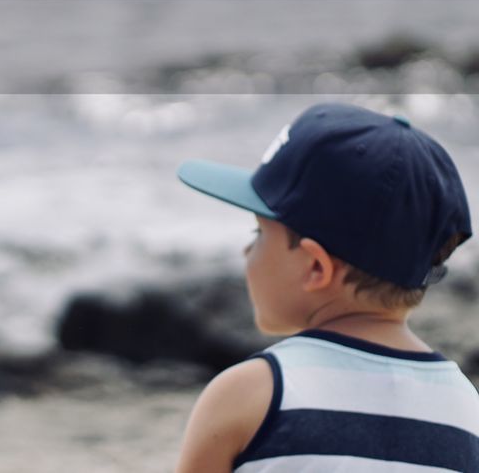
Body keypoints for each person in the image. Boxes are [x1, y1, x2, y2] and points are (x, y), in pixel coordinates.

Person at [174, 102, 479, 472]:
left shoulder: (252, 394)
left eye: (258, 233)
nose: (246, 250)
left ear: (316, 267)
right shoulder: (466, 413)